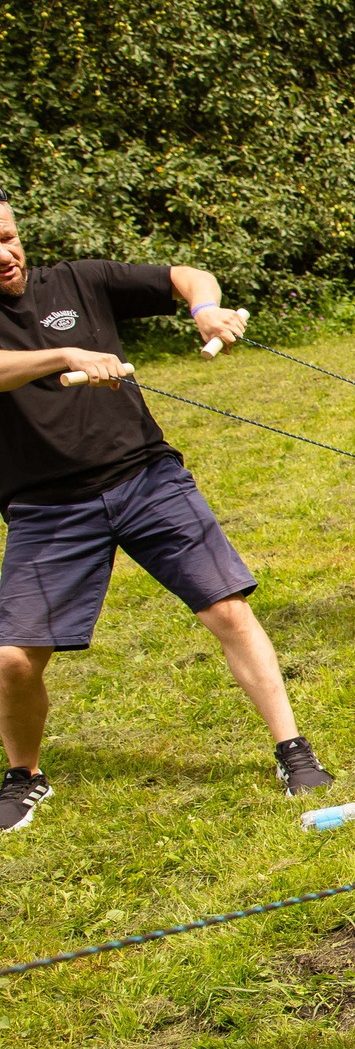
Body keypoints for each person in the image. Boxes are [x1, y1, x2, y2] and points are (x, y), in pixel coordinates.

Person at [0, 189, 334, 832]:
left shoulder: (77, 280)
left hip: (146, 478)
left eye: (9, 237)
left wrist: (205, 308)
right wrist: (66, 356)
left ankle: (294, 751)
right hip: (47, 506)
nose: (5, 254)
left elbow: (186, 275)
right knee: (13, 659)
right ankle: (23, 775)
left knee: (228, 609)